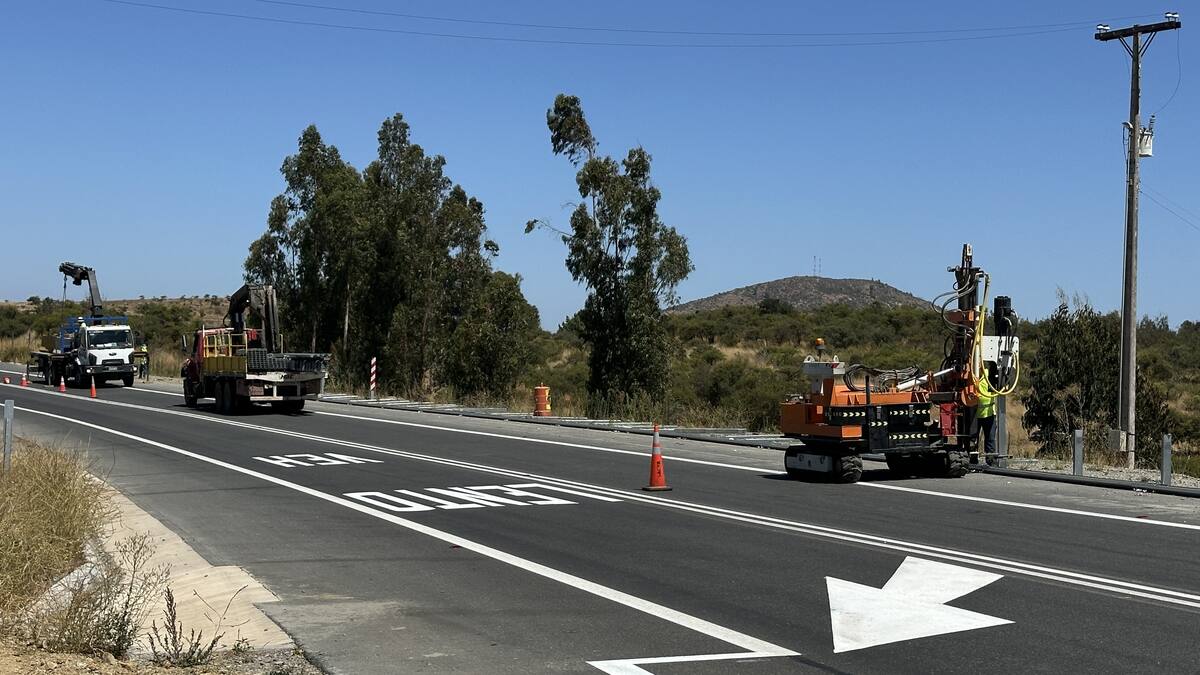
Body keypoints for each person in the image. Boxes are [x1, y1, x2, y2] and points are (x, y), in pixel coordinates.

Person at [976, 368, 997, 459]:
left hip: (989, 414)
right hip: (974, 415)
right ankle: (972, 461)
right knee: (973, 439)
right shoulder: (971, 376)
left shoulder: (989, 374)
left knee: (990, 439)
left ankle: (991, 461)